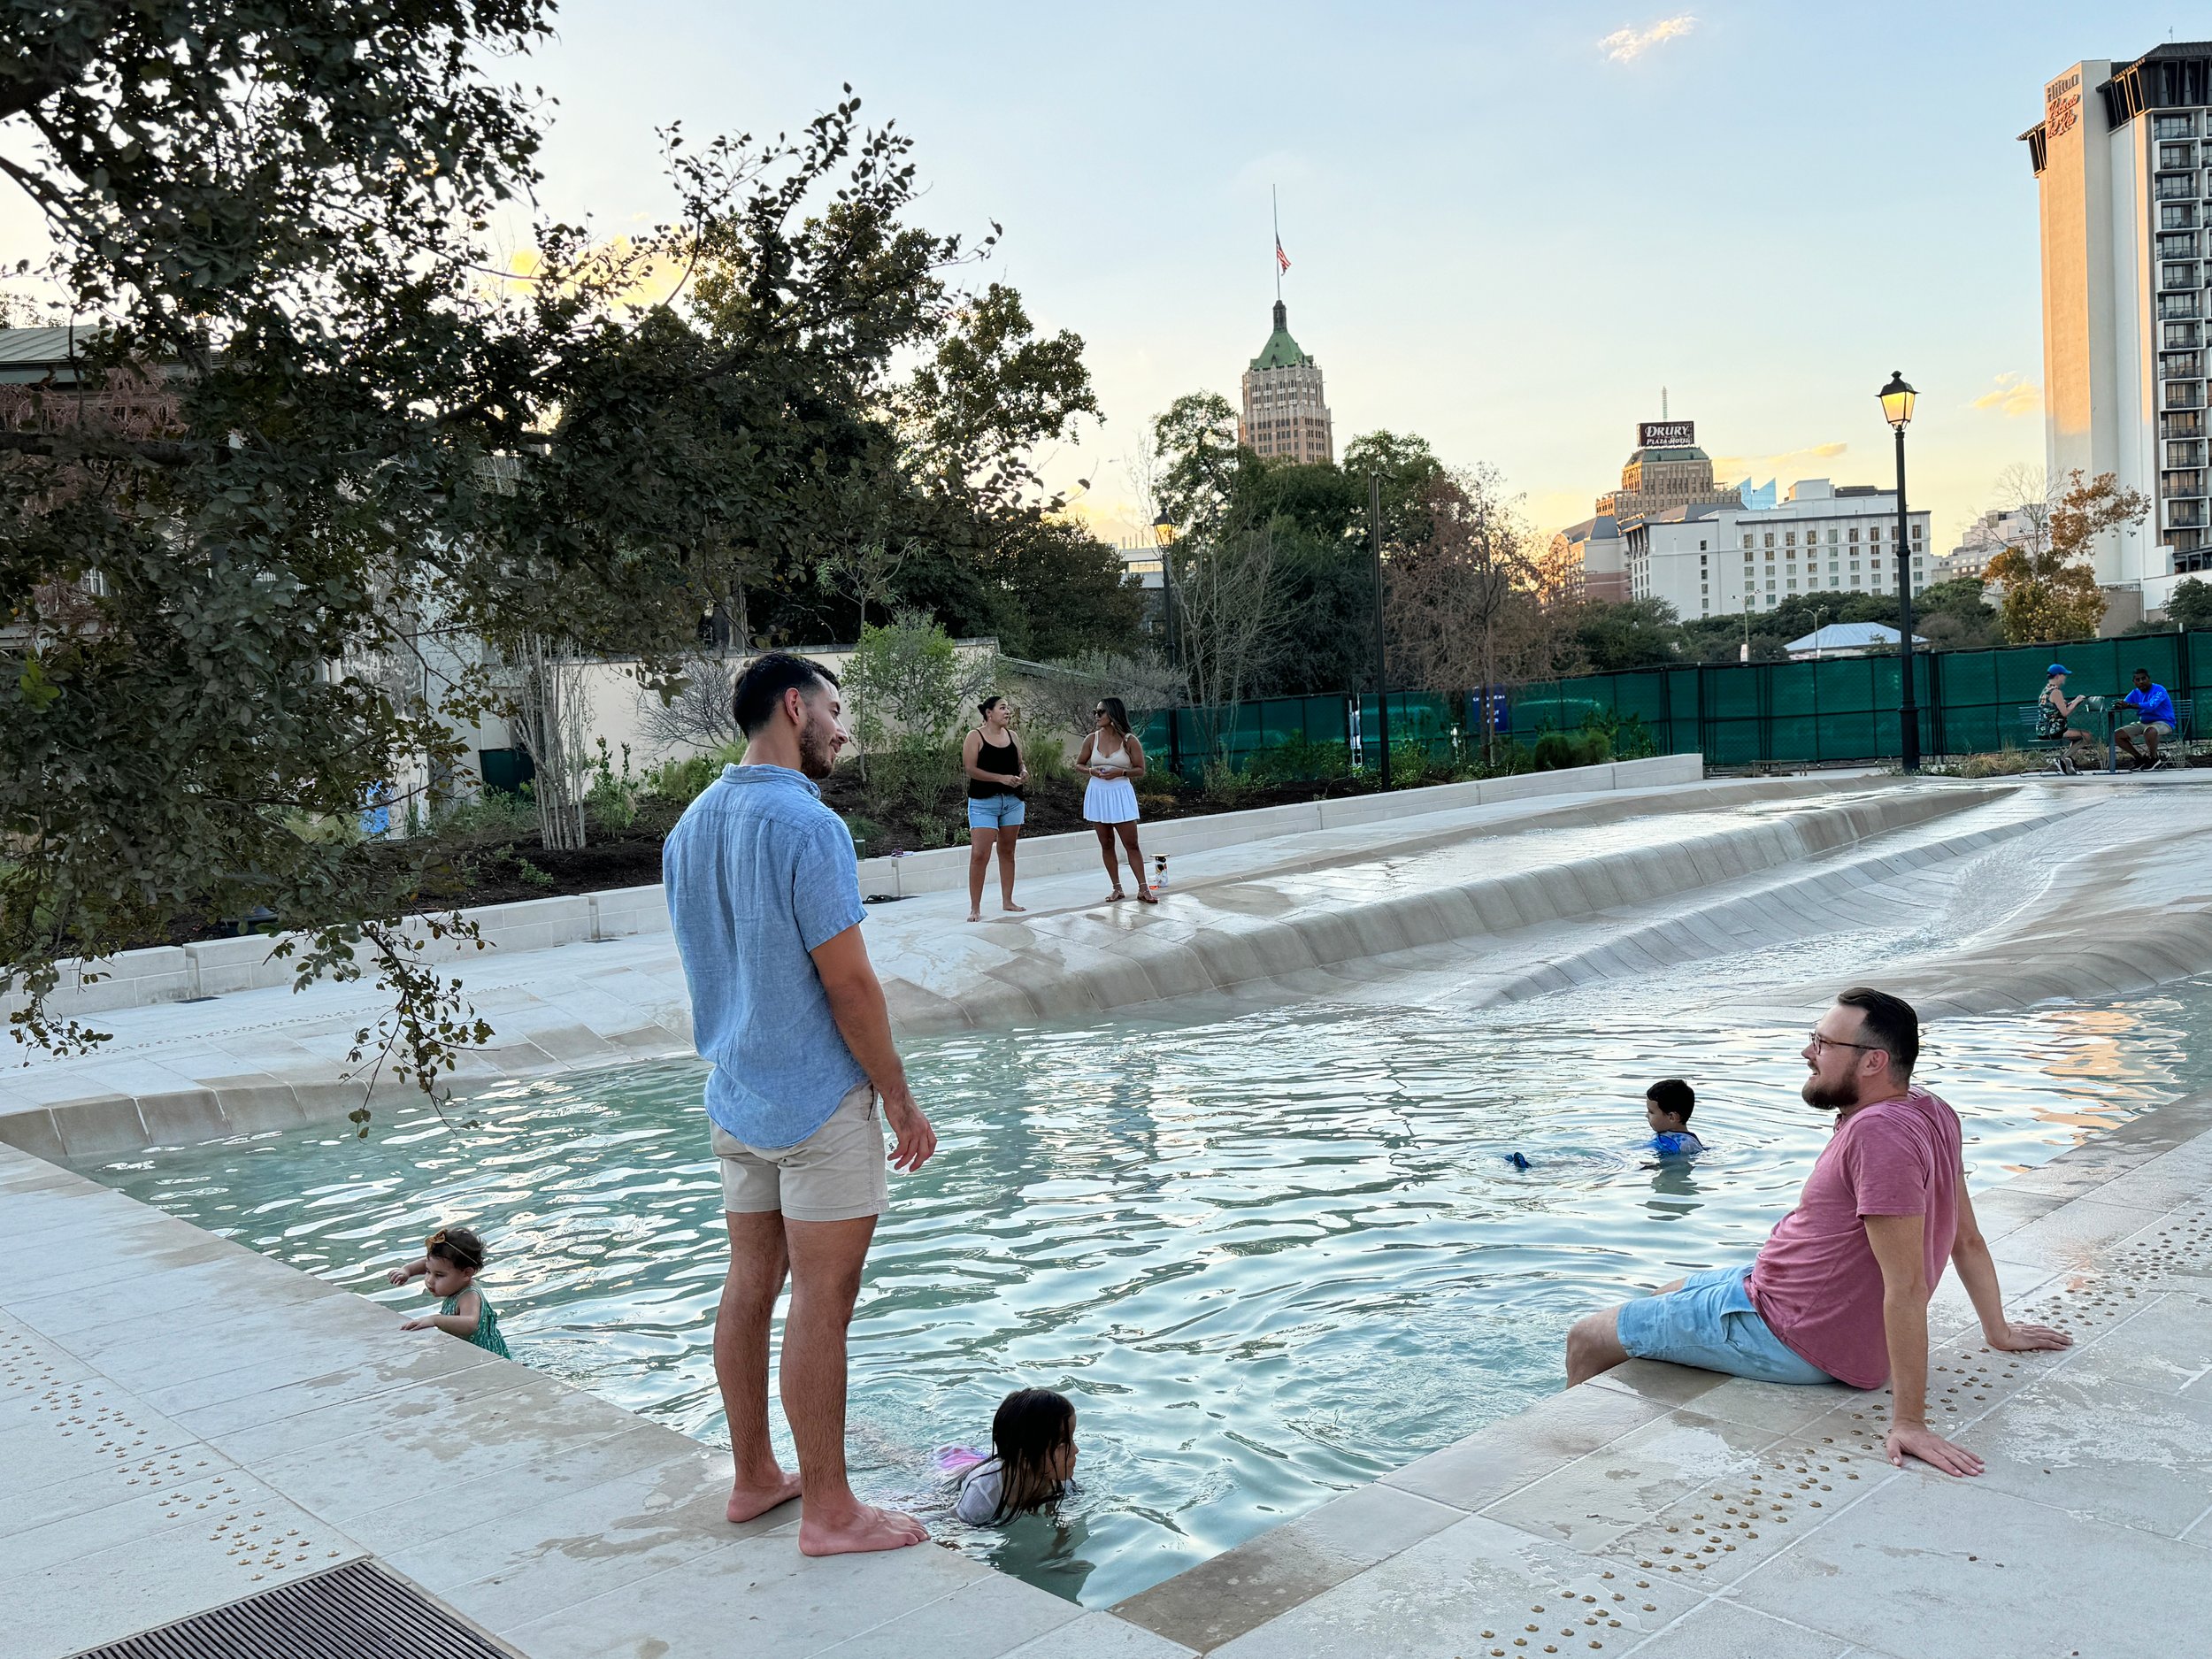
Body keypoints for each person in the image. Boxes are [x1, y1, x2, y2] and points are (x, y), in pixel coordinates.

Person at [663, 650, 940, 1556]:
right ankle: (830, 1510)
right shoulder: (806, 825)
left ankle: (755, 1479)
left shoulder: (690, 826)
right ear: (793, 707)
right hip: (818, 1104)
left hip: (735, 1096)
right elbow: (849, 984)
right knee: (824, 1299)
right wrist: (898, 1097)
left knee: (749, 1287)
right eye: (833, 708)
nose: (841, 726)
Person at [1566, 988, 2071, 1476]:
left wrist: (1910, 1423)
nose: (1808, 1052)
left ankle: (1572, 1467)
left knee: (1586, 1336)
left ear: (1873, 1061)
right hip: (1785, 1293)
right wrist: (1997, 1332)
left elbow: (1908, 1286)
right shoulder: (1931, 1110)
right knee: (1666, 1291)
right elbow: (1967, 1238)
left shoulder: (1879, 1136)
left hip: (1792, 1331)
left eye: (1825, 1043)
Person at [949, 1387, 1079, 1525]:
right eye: (1062, 1443)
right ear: (1025, 1459)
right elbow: (954, 1527)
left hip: (987, 1459)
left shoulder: (1061, 1481)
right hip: (952, 1463)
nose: (1076, 1450)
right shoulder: (982, 1493)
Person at [1078, 696, 1156, 904]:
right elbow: (1079, 764)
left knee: (1131, 843)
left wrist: (1119, 772)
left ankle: (1143, 888)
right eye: (1095, 712)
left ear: (1112, 714)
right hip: (1098, 793)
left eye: (1100, 712)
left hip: (1121, 793)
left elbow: (1140, 770)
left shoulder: (1129, 740)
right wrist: (1091, 771)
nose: (1096, 716)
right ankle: (1117, 888)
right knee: (1106, 843)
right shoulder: (1091, 739)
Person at [388, 1226, 511, 1357]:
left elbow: (470, 1324)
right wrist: (406, 1270)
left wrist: (435, 1320)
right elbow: (426, 1263)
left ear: (466, 1273)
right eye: (428, 1271)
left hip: (488, 1357)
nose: (429, 1280)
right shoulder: (456, 1283)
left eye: (439, 1275)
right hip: (468, 1354)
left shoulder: (469, 1295)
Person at [963, 695, 1029, 922]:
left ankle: (1008, 901)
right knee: (980, 854)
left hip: (1012, 802)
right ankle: (975, 908)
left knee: (1007, 851)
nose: (1008, 711)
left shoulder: (1013, 736)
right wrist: (1000, 779)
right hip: (983, 802)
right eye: (1003, 708)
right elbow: (970, 769)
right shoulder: (975, 736)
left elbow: (1020, 762)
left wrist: (1023, 772)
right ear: (989, 713)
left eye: (1008, 707)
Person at [2114, 666, 2178, 770]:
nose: (2141, 682)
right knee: (2116, 735)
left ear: (2149, 679)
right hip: (2143, 723)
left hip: (2164, 722)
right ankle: (2140, 759)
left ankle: (2154, 758)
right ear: (2134, 682)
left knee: (2150, 731)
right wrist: (2119, 705)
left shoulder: (2159, 689)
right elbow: (2125, 703)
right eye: (2138, 680)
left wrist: (2129, 705)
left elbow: (2151, 705)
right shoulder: (2135, 693)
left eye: (2144, 679)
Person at [2033, 664, 2093, 774]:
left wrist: (2074, 702)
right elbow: (2065, 713)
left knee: (2078, 737)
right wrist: (2077, 700)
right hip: (2053, 730)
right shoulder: (2056, 692)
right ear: (2057, 676)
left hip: (2043, 729)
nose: (2065, 677)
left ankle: (2067, 760)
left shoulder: (2046, 690)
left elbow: (2058, 709)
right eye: (2064, 675)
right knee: (2087, 736)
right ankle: (2064, 759)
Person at [1643, 1079, 1706, 1158]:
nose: (1646, 1115)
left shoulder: (1684, 1145)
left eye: (1651, 1112)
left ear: (1671, 1117)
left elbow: (1674, 1165)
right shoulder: (1673, 1137)